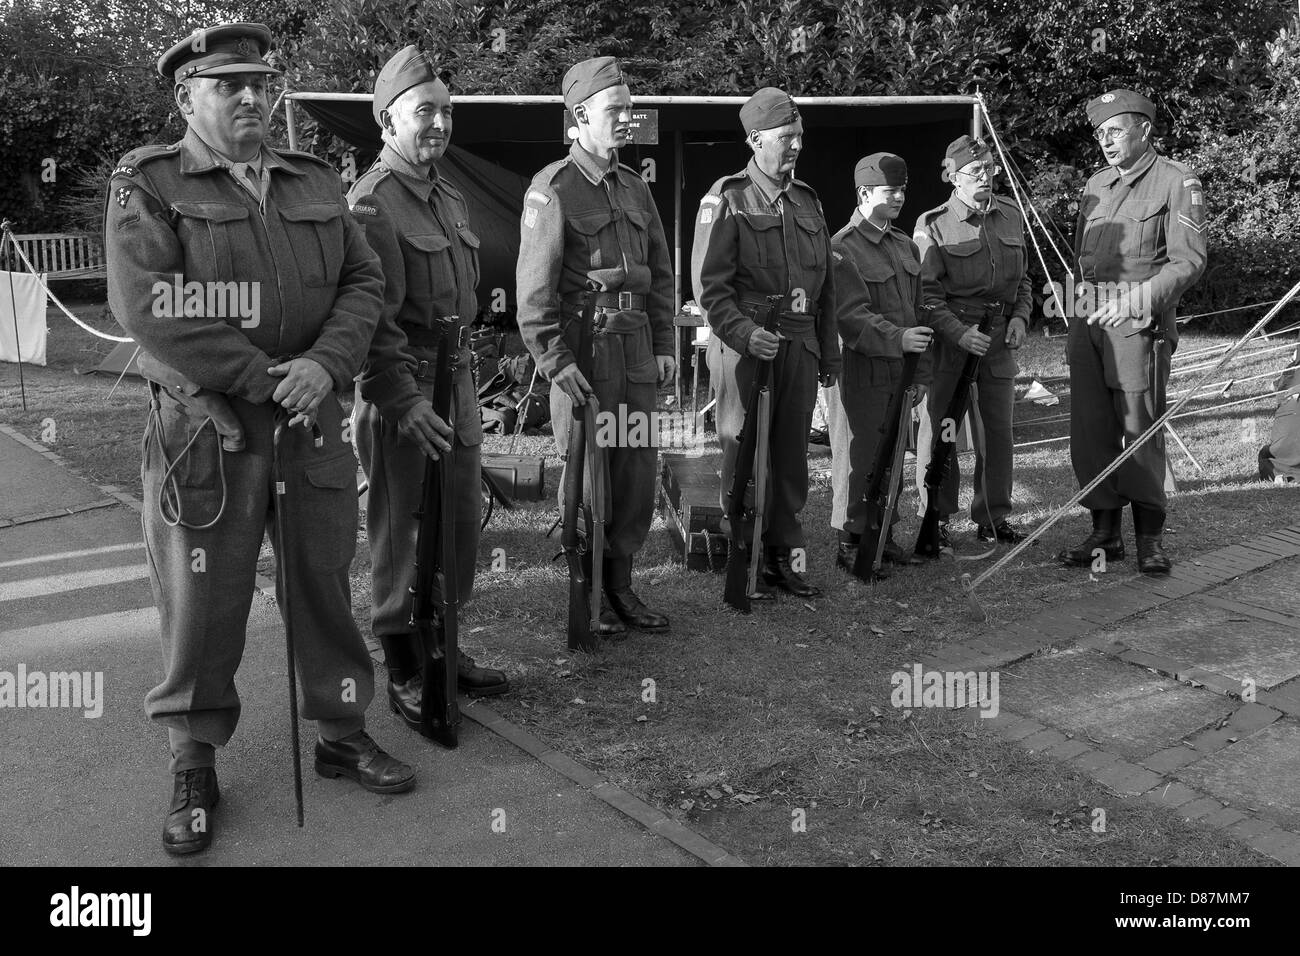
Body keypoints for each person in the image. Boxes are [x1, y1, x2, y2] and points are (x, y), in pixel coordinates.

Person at [105, 22, 414, 856]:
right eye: (229, 84)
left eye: (263, 83)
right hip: (213, 430)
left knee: (324, 578)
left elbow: (363, 280)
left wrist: (326, 362)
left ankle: (342, 732)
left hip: (310, 422)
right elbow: (150, 307)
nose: (251, 98)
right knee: (204, 601)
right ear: (186, 97)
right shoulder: (152, 182)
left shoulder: (312, 177)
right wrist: (266, 376)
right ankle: (193, 760)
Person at [347, 46, 509, 734]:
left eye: (446, 111)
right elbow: (368, 321)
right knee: (402, 529)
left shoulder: (448, 194)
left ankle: (444, 639)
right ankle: (407, 665)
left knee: (457, 523)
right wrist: (402, 400)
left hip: (459, 380)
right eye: (425, 112)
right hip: (404, 386)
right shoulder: (370, 203)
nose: (439, 123)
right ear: (388, 121)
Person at [516, 56, 675, 637]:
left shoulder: (634, 187)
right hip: (587, 354)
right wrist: (557, 363)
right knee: (589, 475)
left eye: (630, 109)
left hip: (635, 354)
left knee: (635, 471)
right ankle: (586, 591)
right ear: (580, 117)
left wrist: (662, 343)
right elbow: (533, 295)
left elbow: (659, 270)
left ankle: (622, 586)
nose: (626, 119)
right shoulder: (553, 189)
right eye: (615, 110)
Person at [691, 87, 840, 598]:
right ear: (755, 139)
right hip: (746, 348)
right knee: (744, 449)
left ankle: (782, 555)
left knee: (791, 456)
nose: (795, 146)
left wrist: (829, 351)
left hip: (799, 347)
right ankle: (743, 552)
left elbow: (828, 289)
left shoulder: (808, 201)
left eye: (799, 136)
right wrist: (745, 334)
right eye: (785, 137)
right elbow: (709, 288)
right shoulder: (727, 198)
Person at [1058, 89, 1207, 573]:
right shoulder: (1097, 185)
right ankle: (1104, 533)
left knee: (1138, 426)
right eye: (1100, 133)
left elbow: (1189, 261)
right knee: (1091, 428)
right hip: (1089, 322)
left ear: (1144, 128)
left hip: (1138, 322)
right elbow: (1085, 263)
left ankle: (1149, 538)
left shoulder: (1175, 180)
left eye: (1116, 130)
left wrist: (1136, 301)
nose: (1106, 140)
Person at [912, 135, 1031, 551]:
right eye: (974, 172)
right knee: (942, 432)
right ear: (953, 177)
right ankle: (937, 516)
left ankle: (994, 517)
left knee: (997, 435)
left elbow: (1025, 280)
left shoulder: (1012, 217)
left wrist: (1019, 316)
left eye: (989, 169)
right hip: (952, 342)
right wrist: (959, 332)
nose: (985, 177)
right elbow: (925, 295)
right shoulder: (934, 224)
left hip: (998, 341)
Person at [826, 153, 933, 571]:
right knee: (858, 454)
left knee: (892, 455)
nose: (900, 198)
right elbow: (851, 318)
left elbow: (918, 311)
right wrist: (899, 339)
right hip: (860, 369)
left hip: (901, 369)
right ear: (865, 193)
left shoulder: (905, 245)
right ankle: (851, 539)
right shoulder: (841, 248)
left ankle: (883, 531)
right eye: (891, 191)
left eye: (903, 190)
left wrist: (920, 371)